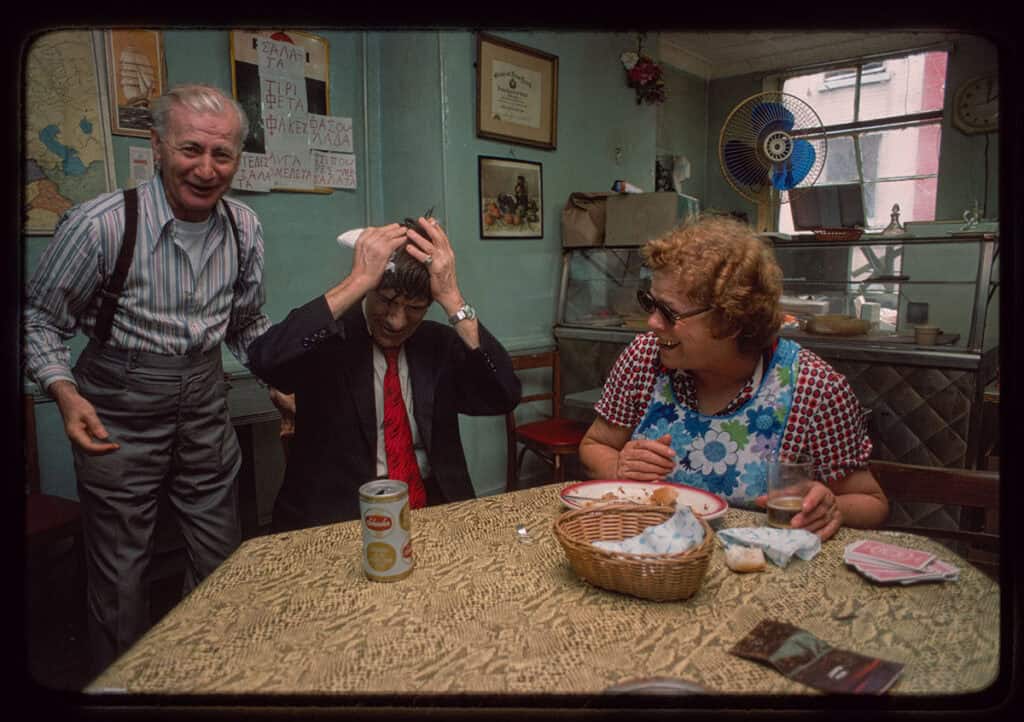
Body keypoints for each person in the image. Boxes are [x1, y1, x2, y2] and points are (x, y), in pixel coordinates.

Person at [23, 83, 272, 674]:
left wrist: (282, 374)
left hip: (207, 397)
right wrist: (64, 392)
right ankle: (123, 685)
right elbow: (37, 318)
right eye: (190, 149)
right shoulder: (100, 225)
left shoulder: (244, 228)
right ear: (157, 146)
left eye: (223, 155)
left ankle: (206, 674)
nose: (206, 169)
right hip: (116, 402)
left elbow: (246, 323)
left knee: (220, 554)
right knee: (120, 570)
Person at [578, 214, 888, 541]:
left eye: (669, 312)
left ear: (730, 322)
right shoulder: (644, 359)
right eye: (650, 303)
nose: (653, 323)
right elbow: (595, 444)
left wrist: (830, 506)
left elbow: (872, 502)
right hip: (651, 559)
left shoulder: (814, 389)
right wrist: (619, 469)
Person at [248, 215, 521, 531]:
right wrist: (357, 280)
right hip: (342, 517)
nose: (397, 321)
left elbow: (504, 395)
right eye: (387, 301)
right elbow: (264, 360)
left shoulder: (438, 345)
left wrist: (452, 297)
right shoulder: (330, 340)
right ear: (369, 291)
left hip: (433, 510)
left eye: (415, 308)